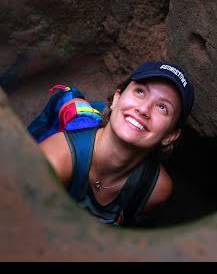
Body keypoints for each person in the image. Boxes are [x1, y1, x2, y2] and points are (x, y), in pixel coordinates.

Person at [38, 60, 195, 227]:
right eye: (140, 92)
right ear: (116, 98)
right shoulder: (55, 161)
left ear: (170, 135)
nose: (144, 109)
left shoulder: (155, 189)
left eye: (163, 107)